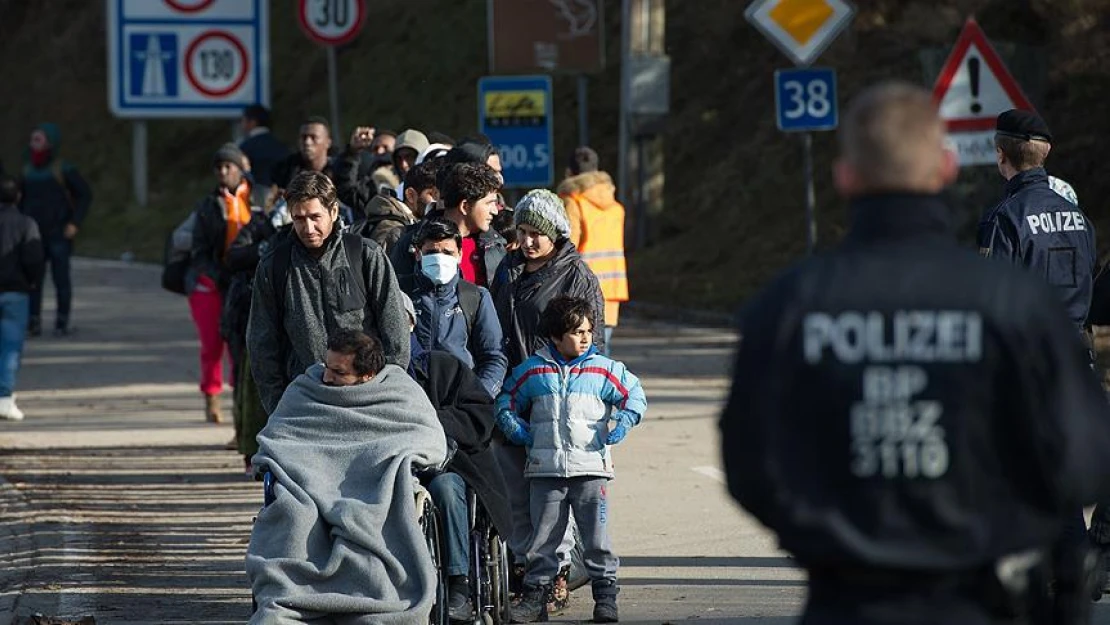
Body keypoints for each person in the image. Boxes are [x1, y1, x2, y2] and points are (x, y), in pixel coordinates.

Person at [720, 82, 1110, 625]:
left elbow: (748, 462)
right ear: (947, 168)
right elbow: (1083, 455)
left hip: (845, 597)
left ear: (844, 176)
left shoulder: (789, 304)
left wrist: (829, 540)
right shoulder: (1013, 301)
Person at [247, 329, 446, 624]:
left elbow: (429, 439)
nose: (326, 377)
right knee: (296, 515)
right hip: (306, 485)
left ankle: (367, 594)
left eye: (338, 372)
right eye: (326, 365)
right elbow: (278, 437)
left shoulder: (399, 393)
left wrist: (397, 456)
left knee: (366, 518)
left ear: (366, 375)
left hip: (374, 487)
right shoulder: (306, 388)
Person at [496, 296, 646, 623]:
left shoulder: (603, 370)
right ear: (555, 335)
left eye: (589, 331)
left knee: (596, 539)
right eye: (576, 332)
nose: (585, 337)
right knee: (543, 540)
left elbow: (634, 394)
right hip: (545, 473)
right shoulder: (533, 371)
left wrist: (625, 420)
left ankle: (605, 597)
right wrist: (513, 424)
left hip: (591, 472)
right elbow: (506, 398)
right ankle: (535, 597)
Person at [247, 171, 411, 416]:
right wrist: (279, 406)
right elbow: (262, 344)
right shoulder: (274, 267)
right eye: (299, 218)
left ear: (333, 212)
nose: (308, 227)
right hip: (305, 401)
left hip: (366, 398)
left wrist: (385, 391)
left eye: (315, 217)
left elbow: (395, 331)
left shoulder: (366, 256)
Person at [397, 295, 511, 622]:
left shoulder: (443, 366)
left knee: (447, 489)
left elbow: (479, 416)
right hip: (391, 466)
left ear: (411, 324)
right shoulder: (368, 377)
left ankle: (457, 582)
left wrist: (431, 421)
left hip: (447, 465)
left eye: (398, 321)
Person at [977, 109, 1096, 330]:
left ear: (1001, 154)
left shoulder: (1003, 218)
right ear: (1047, 151)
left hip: (1030, 354)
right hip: (1077, 354)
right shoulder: (1080, 218)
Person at [490, 189, 605, 371]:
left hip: (549, 383)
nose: (527, 242)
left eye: (535, 234)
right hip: (507, 383)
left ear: (554, 234)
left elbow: (592, 342)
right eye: (522, 231)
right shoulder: (507, 264)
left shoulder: (577, 277)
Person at [401, 218, 507, 398]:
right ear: (418, 254)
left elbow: (494, 358)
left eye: (447, 253)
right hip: (411, 402)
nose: (440, 259)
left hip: (460, 403)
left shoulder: (475, 297)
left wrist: (477, 399)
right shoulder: (399, 293)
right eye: (432, 252)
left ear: (459, 254)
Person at [189, 143, 254, 424]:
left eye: (229, 166)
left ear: (241, 168)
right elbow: (199, 250)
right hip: (215, 283)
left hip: (250, 280)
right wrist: (217, 276)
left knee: (244, 348)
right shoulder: (208, 206)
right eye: (219, 167)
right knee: (213, 344)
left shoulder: (260, 197)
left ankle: (242, 409)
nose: (223, 172)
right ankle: (212, 396)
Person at [19, 123, 92, 337]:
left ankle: (62, 321)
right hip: (32, 235)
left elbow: (85, 195)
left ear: (50, 143)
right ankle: (33, 321)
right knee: (32, 279)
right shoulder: (27, 171)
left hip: (59, 232)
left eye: (39, 139)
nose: (35, 143)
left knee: (61, 279)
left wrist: (75, 222)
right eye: (33, 139)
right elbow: (20, 201)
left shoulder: (64, 169)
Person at [557, 147, 629, 354]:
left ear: (569, 173)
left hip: (582, 288)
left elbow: (567, 246)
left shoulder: (574, 202)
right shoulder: (615, 207)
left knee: (582, 355)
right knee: (601, 352)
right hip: (611, 290)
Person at [390, 162, 505, 287]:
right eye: (489, 203)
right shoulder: (411, 244)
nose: (495, 210)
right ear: (465, 206)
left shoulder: (495, 245)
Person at [0, 175, 44, 421]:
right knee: (10, 348)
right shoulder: (26, 224)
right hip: (15, 291)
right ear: (18, 197)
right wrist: (33, 281)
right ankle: (4, 398)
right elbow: (34, 258)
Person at [269, 116, 336, 207]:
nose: (307, 142)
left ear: (328, 142)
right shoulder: (285, 170)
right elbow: (269, 202)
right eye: (304, 137)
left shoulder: (340, 171)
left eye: (313, 137)